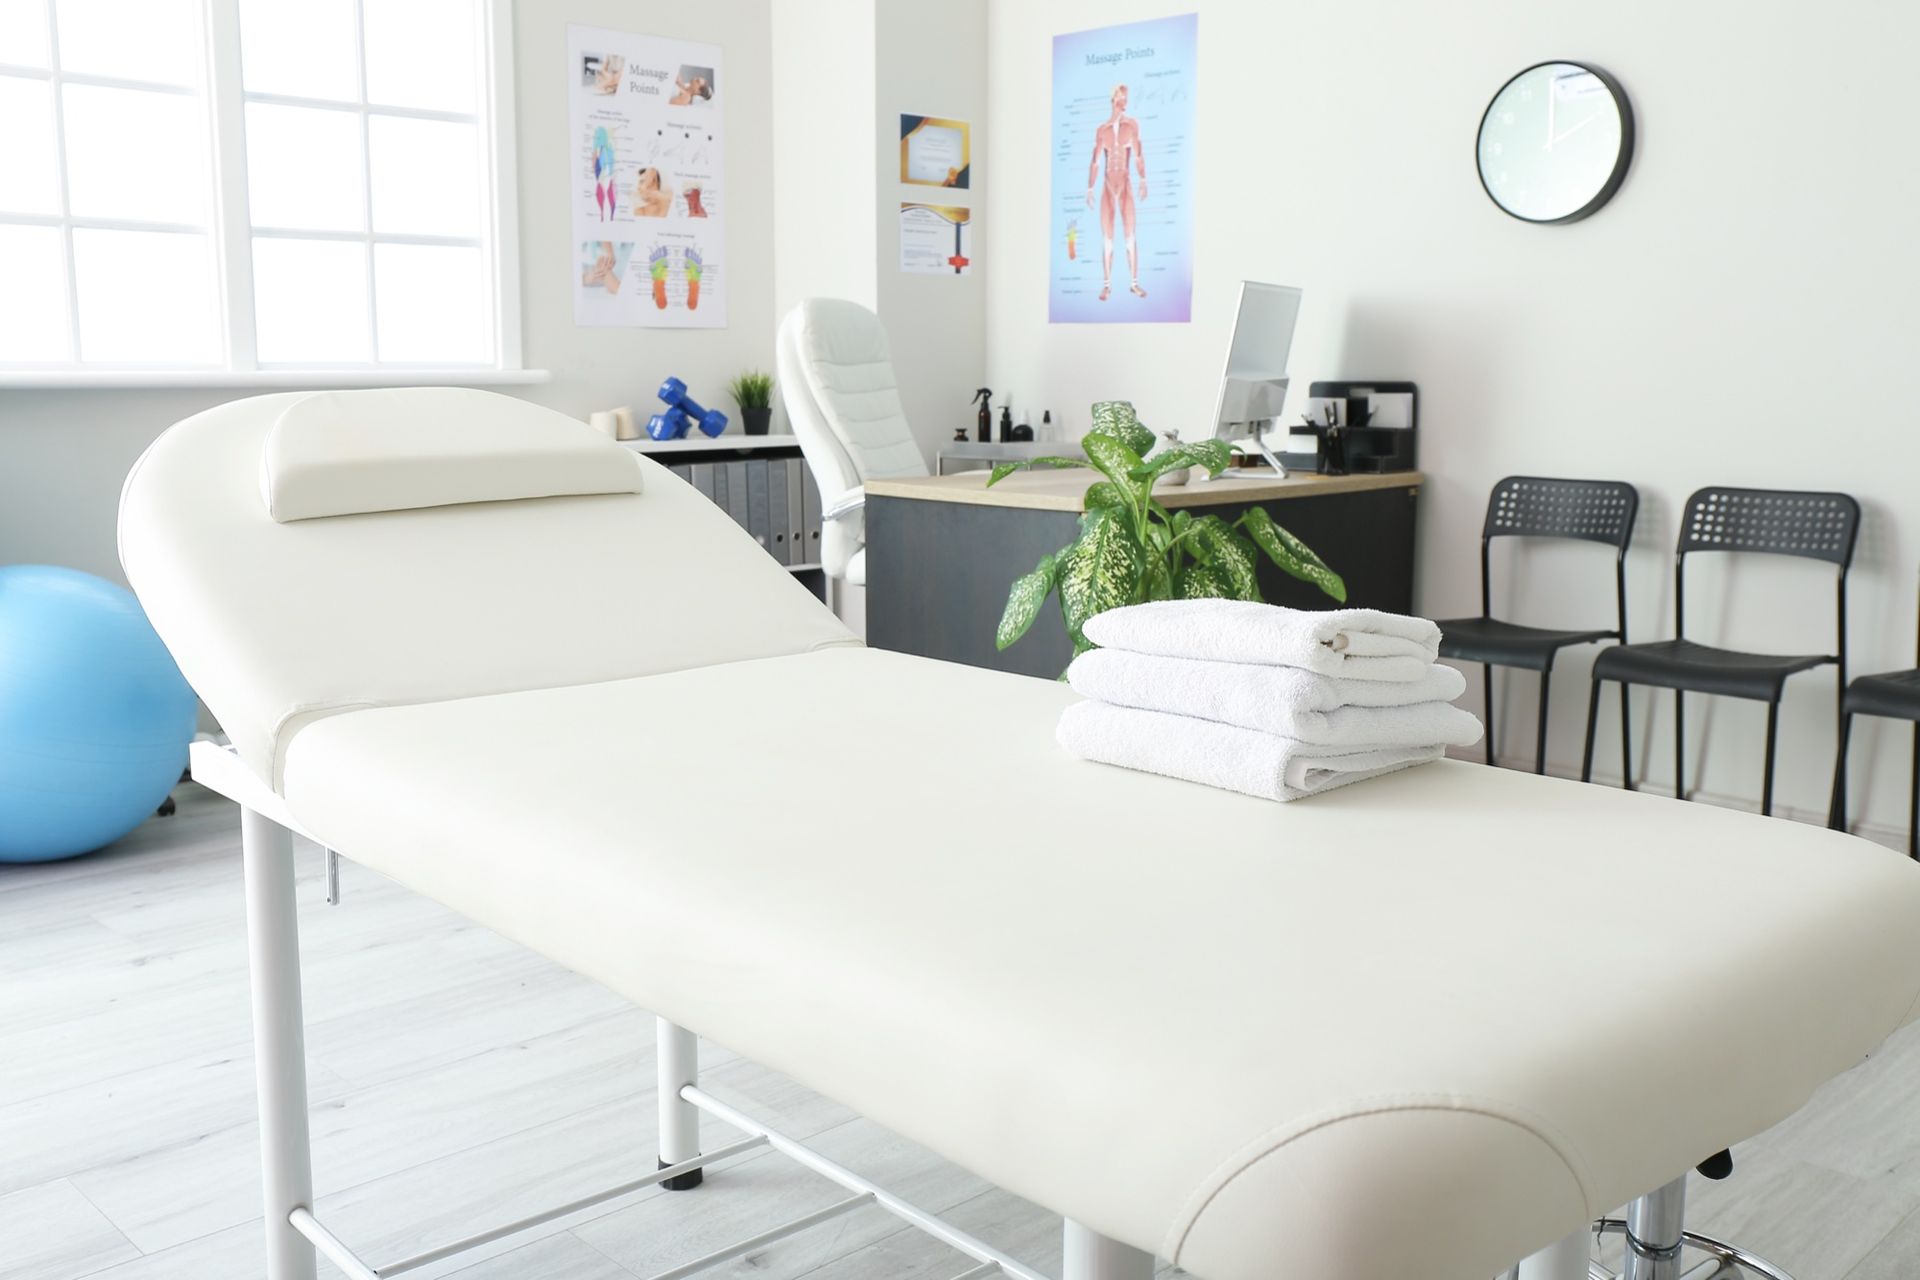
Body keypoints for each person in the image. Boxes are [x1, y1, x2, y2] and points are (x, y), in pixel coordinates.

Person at [1084, 83, 1148, 302]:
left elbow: (1138, 155)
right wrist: (1090, 187)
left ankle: (1134, 283)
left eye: (1126, 98)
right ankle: (1106, 286)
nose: (1124, 102)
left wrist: (1143, 179)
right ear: (1113, 99)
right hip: (1108, 185)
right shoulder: (1102, 130)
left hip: (1125, 183)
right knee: (1108, 238)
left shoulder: (1132, 125)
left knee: (1130, 235)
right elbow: (1095, 161)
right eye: (1121, 97)